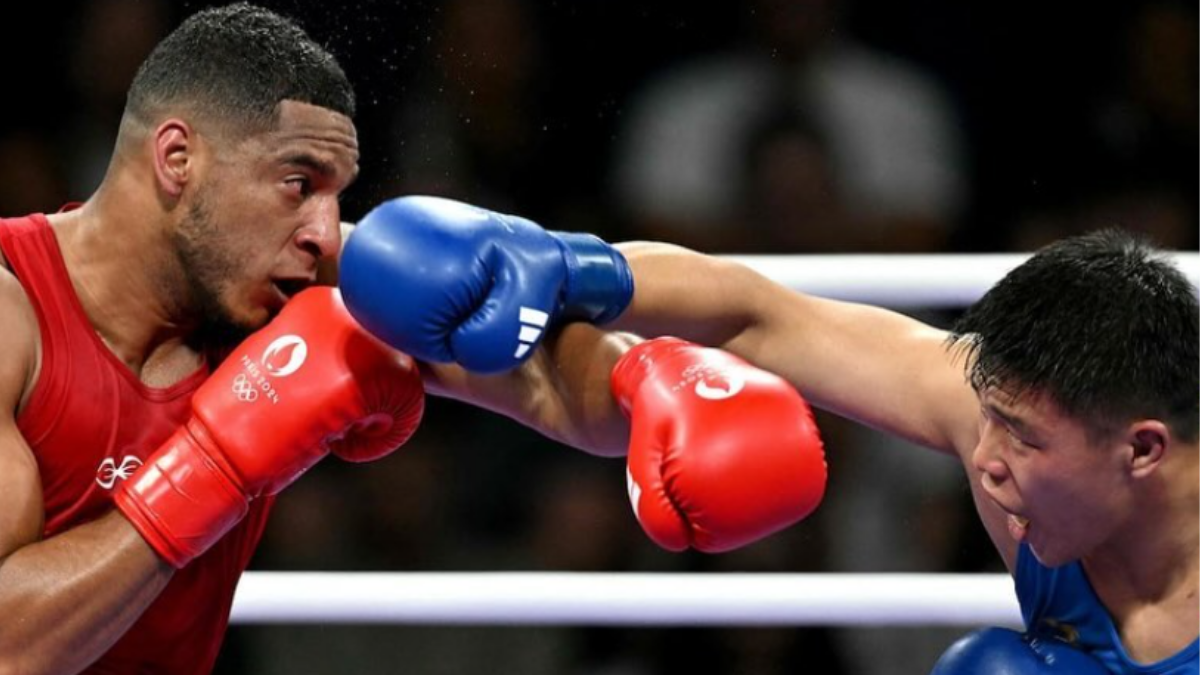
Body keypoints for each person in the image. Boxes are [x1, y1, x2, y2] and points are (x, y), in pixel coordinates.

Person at [0, 5, 827, 673]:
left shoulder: (284, 282)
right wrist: (216, 466)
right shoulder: (12, 312)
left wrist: (649, 382)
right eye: (298, 184)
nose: (327, 232)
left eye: (336, 195)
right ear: (178, 158)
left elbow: (535, 376)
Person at [342, 198, 1198, 673]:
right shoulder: (1007, 414)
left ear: (1144, 448)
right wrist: (570, 266)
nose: (984, 463)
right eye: (989, 422)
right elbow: (759, 315)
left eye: (1022, 442)